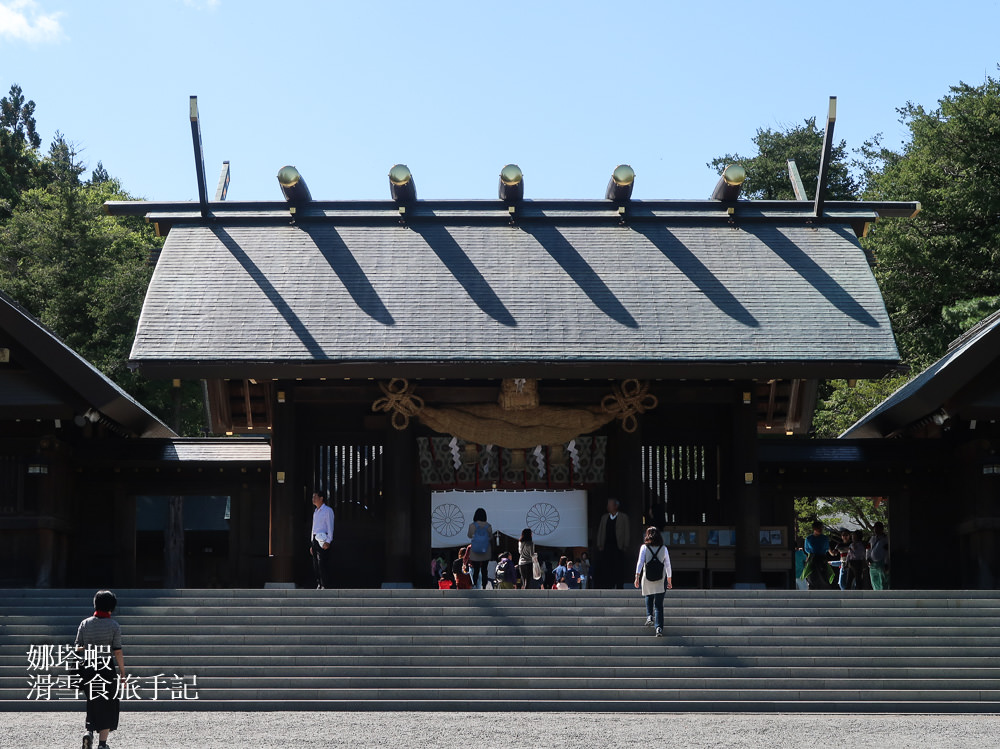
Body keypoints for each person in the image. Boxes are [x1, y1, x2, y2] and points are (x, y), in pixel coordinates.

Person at [75, 590, 126, 749]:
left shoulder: (85, 623)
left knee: (92, 701)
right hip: (106, 667)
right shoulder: (114, 625)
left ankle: (88, 732)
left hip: (88, 667)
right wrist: (123, 673)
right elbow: (117, 651)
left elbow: (77, 648)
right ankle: (102, 744)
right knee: (108, 704)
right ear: (111, 607)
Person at [634, 526, 672, 637]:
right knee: (659, 605)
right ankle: (659, 628)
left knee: (648, 595)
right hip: (661, 579)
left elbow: (640, 562)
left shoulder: (644, 548)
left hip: (647, 577)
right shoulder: (664, 548)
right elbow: (668, 565)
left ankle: (649, 616)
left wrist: (637, 576)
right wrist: (669, 579)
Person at [596, 498, 629, 589]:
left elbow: (627, 531)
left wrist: (625, 545)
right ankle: (608, 585)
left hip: (618, 546)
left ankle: (619, 585)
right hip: (607, 546)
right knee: (607, 567)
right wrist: (599, 544)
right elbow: (601, 531)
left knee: (618, 567)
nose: (608, 507)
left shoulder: (623, 517)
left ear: (616, 506)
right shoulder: (604, 517)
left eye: (610, 505)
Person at [309, 489, 334, 590]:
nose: (313, 499)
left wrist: (328, 541)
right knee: (315, 564)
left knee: (322, 563)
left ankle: (325, 584)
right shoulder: (315, 512)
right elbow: (314, 528)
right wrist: (312, 542)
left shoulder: (328, 510)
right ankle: (319, 583)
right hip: (315, 539)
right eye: (313, 497)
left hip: (323, 539)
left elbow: (330, 526)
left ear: (321, 498)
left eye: (315, 497)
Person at [466, 508, 493, 589]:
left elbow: (469, 535)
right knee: (484, 569)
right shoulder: (488, 526)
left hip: (475, 549)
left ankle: (474, 585)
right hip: (485, 550)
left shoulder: (472, 525)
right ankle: (484, 586)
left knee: (476, 568)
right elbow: (490, 537)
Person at [802, 521, 834, 590]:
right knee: (812, 577)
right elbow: (806, 549)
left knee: (824, 576)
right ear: (814, 529)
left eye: (821, 528)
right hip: (813, 559)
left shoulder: (825, 538)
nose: (820, 529)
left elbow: (826, 548)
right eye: (819, 528)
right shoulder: (809, 538)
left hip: (822, 559)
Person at [868, 521, 890, 590]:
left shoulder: (885, 539)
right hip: (872, 563)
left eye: (878, 528)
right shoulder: (872, 538)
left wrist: (886, 563)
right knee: (874, 582)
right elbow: (868, 549)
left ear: (881, 529)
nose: (876, 530)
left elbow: (887, 552)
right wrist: (868, 558)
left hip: (881, 562)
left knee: (883, 582)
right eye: (875, 528)